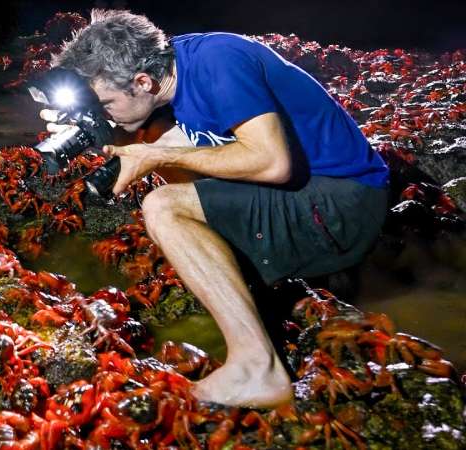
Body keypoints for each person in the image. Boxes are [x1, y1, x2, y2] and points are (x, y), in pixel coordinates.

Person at [41, 9, 389, 407]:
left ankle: (258, 368)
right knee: (157, 141)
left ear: (143, 81)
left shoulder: (220, 62)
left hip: (344, 206)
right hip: (318, 192)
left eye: (106, 103)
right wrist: (86, 130)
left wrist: (152, 158)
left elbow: (273, 164)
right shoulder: (179, 65)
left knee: (163, 207)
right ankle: (253, 281)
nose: (107, 113)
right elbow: (168, 139)